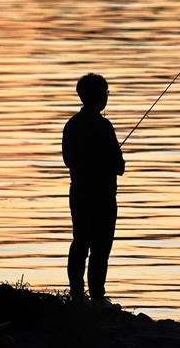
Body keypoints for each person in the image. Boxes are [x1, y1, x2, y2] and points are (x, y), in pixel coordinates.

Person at [62, 73, 125, 310]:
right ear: (100, 96)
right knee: (100, 247)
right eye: (107, 93)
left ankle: (77, 295)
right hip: (102, 196)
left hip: (77, 192)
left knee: (80, 242)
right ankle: (98, 299)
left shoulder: (71, 124)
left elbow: (67, 159)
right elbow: (119, 167)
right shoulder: (103, 125)